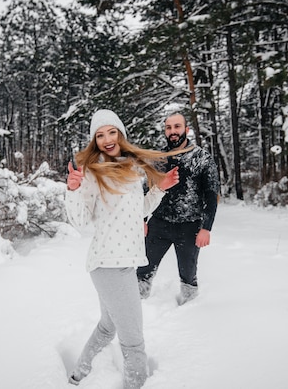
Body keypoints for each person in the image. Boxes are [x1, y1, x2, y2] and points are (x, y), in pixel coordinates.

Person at [64, 109, 180, 388]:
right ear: (95, 141)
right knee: (134, 343)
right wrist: (73, 189)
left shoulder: (131, 170)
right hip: (109, 265)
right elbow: (79, 220)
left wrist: (159, 189)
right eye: (99, 135)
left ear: (121, 134)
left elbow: (137, 211)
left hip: (123, 261)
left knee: (108, 326)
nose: (106, 139)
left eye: (111, 132)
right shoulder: (91, 173)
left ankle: (79, 372)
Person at [136, 111, 220, 306]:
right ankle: (137, 306)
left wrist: (206, 228)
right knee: (143, 270)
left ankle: (188, 312)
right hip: (159, 224)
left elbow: (211, 195)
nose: (172, 131)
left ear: (186, 129)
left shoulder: (202, 158)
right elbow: (145, 190)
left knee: (188, 273)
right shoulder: (159, 158)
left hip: (190, 227)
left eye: (177, 127)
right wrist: (142, 220)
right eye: (168, 127)